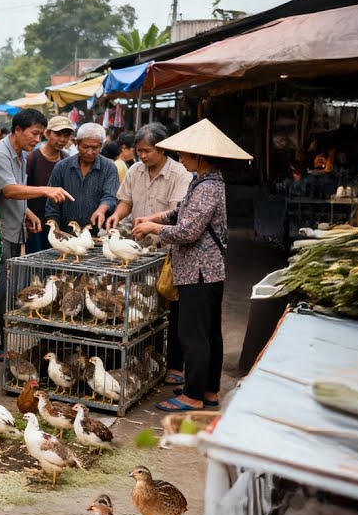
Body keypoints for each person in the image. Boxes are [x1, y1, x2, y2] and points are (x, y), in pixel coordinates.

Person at [134, 119, 247, 412]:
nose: (180, 158)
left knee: (193, 333)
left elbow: (188, 231)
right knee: (209, 332)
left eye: (184, 154)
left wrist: (153, 229)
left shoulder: (208, 186)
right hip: (205, 271)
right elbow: (183, 213)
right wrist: (157, 217)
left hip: (199, 270)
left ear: (200, 157)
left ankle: (193, 395)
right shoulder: (204, 182)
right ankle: (208, 390)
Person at [0, 108, 73, 361]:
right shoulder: (0, 154)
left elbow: (16, 194)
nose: (37, 140)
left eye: (41, 135)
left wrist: (27, 213)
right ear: (17, 130)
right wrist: (45, 190)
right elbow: (9, 190)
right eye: (34, 133)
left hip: (11, 226)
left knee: (6, 287)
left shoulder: (19, 154)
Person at [106, 123, 193, 384]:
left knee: (172, 309)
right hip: (137, 252)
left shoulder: (180, 174)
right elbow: (126, 202)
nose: (142, 156)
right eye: (139, 151)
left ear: (162, 148)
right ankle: (144, 360)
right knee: (139, 308)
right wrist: (116, 215)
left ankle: (176, 365)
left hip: (168, 251)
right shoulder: (135, 170)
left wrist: (151, 226)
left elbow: (176, 215)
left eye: (147, 151)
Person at [45, 122, 120, 230]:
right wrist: (55, 230)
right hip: (67, 234)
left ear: (101, 146)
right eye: (85, 147)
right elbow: (52, 204)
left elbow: (110, 196)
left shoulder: (109, 167)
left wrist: (101, 210)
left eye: (95, 148)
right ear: (77, 143)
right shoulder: (62, 167)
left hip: (97, 233)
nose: (89, 152)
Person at [24, 115, 72, 253]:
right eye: (57, 134)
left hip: (58, 224)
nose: (62, 139)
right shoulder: (32, 158)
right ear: (47, 133)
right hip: (35, 223)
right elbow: (23, 190)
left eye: (66, 135)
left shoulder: (66, 159)